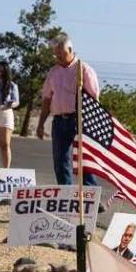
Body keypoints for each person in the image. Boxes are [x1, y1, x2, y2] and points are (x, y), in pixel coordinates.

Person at [36, 33, 98, 186]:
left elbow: (94, 98)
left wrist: (90, 121)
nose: (58, 58)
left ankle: (90, 196)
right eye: (56, 55)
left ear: (70, 50)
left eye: (61, 54)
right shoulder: (53, 72)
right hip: (59, 121)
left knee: (83, 160)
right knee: (61, 160)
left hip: (79, 120)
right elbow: (47, 98)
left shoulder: (83, 70)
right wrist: (41, 123)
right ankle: (67, 196)